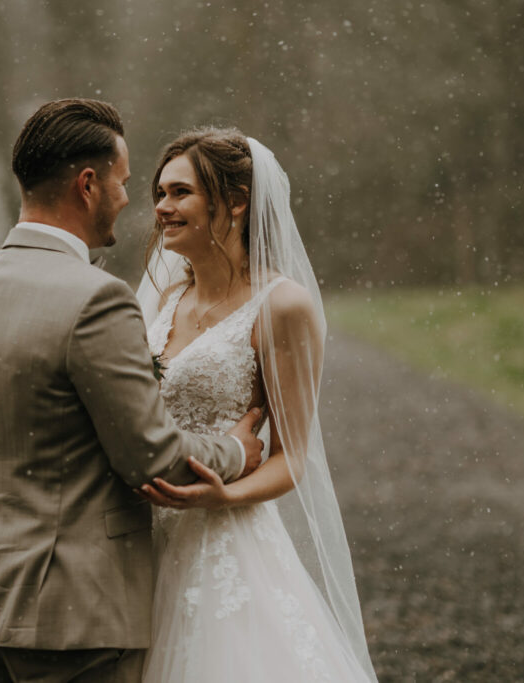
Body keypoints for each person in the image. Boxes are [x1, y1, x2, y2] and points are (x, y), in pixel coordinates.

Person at [0, 100, 266, 683]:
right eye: (120, 183)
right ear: (87, 184)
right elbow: (151, 457)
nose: (127, 199)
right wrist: (238, 451)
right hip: (71, 611)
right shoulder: (95, 298)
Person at [135, 128, 378, 682]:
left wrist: (224, 495)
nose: (161, 208)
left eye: (180, 193)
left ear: (237, 201)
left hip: (222, 541)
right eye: (160, 193)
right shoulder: (166, 298)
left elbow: (294, 455)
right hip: (142, 535)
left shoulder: (280, 305)